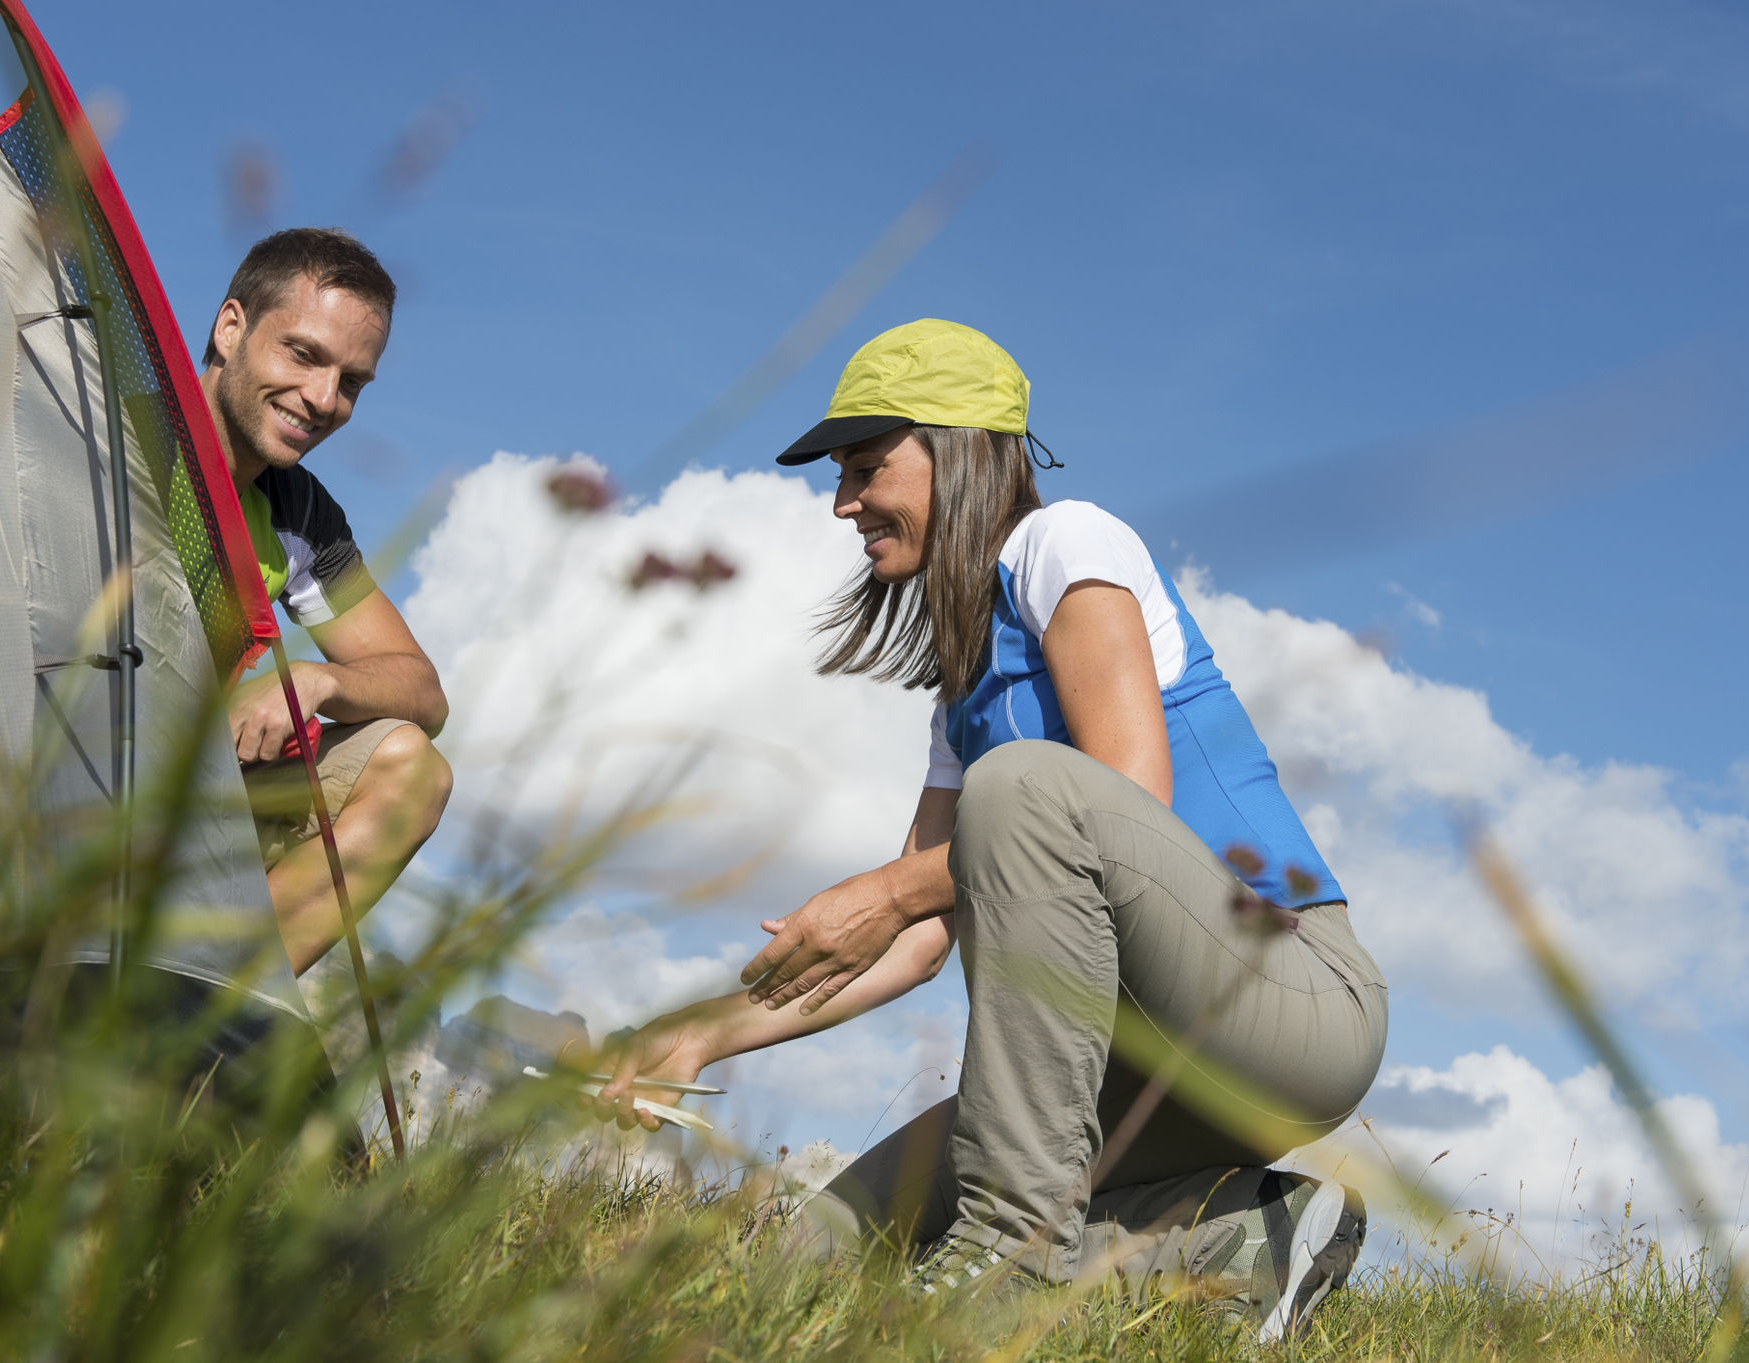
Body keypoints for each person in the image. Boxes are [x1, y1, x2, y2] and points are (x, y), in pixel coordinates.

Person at [592, 319, 1387, 1339]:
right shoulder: (963, 698)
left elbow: (1122, 788)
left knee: (1027, 787)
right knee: (820, 1255)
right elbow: (918, 937)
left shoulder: (1067, 541)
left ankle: (1012, 1253)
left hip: (1288, 1002)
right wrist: (697, 1031)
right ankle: (1241, 1236)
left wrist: (887, 887)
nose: (843, 503)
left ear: (959, 449)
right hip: (1138, 1074)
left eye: (866, 466)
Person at [199, 228, 453, 978]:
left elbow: (424, 692)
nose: (323, 399)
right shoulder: (121, 438)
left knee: (415, 770)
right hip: (68, 744)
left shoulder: (300, 511)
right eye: (304, 354)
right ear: (231, 325)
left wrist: (319, 680)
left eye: (352, 382)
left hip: (199, 774)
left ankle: (213, 1006)